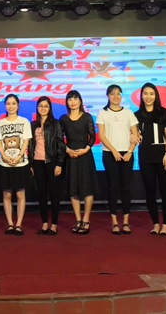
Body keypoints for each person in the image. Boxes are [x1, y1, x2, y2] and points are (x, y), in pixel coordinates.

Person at [96, 85, 140, 235]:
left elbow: (135, 135)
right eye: (112, 94)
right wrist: (114, 151)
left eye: (118, 94)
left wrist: (129, 151)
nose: (116, 96)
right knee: (113, 187)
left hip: (127, 154)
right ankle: (114, 222)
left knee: (126, 188)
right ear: (107, 96)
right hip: (109, 154)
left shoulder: (128, 113)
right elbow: (101, 135)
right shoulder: (103, 113)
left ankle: (126, 222)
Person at [135, 83, 166, 236]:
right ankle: (155, 224)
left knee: (165, 190)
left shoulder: (164, 113)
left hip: (162, 156)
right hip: (145, 157)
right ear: (141, 96)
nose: (148, 97)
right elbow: (133, 135)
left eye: (151, 93)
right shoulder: (136, 115)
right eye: (145, 93)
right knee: (150, 191)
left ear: (156, 95)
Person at [60, 90, 99, 235]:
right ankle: (78, 219)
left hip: (85, 155)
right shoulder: (63, 119)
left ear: (80, 101)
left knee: (87, 189)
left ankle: (86, 219)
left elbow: (92, 137)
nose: (73, 102)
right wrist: (67, 150)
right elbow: (59, 138)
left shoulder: (87, 117)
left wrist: (85, 150)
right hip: (70, 155)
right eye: (70, 99)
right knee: (73, 188)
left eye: (75, 99)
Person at [0, 94, 32, 236]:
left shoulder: (24, 122)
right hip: (4, 164)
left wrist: (19, 156)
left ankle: (19, 224)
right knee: (6, 194)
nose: (11, 106)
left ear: (18, 105)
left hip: (21, 163)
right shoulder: (0, 123)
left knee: (20, 194)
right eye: (8, 104)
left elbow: (26, 141)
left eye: (13, 103)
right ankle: (10, 224)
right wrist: (5, 157)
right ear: (5, 106)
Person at [29, 96, 66, 235]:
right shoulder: (33, 125)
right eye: (40, 106)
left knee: (54, 194)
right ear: (37, 108)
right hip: (37, 163)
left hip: (52, 162)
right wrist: (31, 164)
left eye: (46, 106)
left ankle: (54, 225)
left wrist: (59, 163)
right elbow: (30, 146)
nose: (43, 108)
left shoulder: (56, 124)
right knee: (41, 194)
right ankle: (44, 224)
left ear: (50, 108)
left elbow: (61, 144)